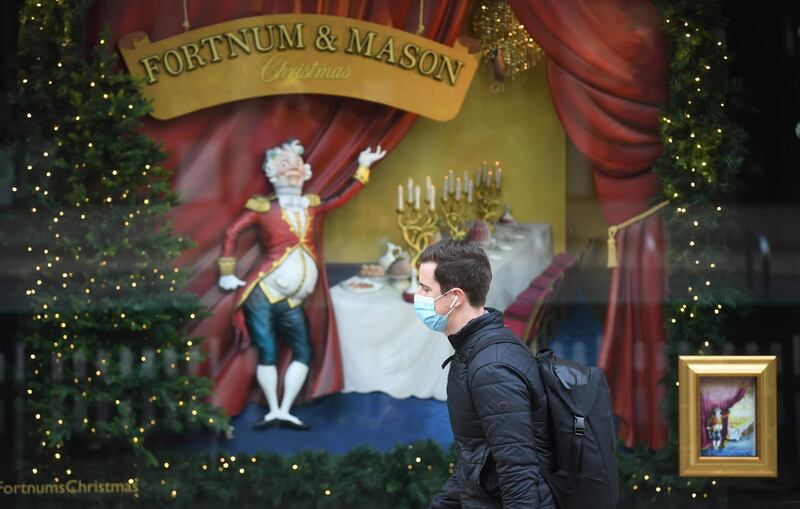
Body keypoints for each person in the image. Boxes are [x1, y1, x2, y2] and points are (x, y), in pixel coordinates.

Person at [216, 139, 385, 430]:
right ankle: (272, 408)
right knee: (267, 350)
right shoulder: (262, 207)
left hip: (294, 300)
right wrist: (226, 271)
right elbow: (232, 232)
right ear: (272, 172)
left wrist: (363, 167)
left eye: (296, 163)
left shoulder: (311, 206)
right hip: (263, 293)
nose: (291, 168)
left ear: (305, 171)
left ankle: (283, 409)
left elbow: (341, 198)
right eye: (284, 164)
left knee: (303, 350)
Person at [416, 239, 555, 508]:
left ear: (455, 297)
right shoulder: (473, 350)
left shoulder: (492, 370)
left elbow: (520, 478)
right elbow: (477, 458)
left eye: (424, 288)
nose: (417, 296)